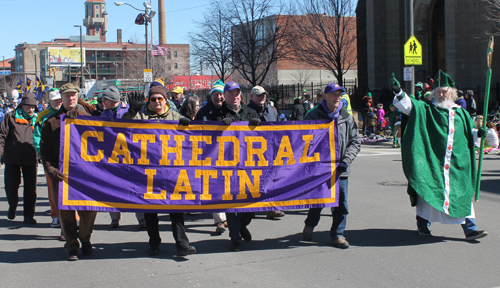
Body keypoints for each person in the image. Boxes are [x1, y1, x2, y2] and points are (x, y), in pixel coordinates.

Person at [392, 70, 488, 241]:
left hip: (457, 165)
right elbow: (409, 106)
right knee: (428, 193)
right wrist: (399, 92)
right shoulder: (427, 110)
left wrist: (479, 134)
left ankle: (470, 229)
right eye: (438, 92)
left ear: (451, 92)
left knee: (461, 195)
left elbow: (468, 137)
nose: (441, 95)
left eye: (444, 91)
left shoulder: (462, 114)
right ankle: (423, 225)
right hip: (433, 162)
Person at [124, 85, 196, 257]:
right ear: (149, 100)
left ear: (166, 100)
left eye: (160, 99)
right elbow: (122, 129)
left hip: (171, 171)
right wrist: (130, 113)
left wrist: (188, 124)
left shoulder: (174, 116)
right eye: (153, 99)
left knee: (176, 208)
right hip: (147, 171)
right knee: (150, 211)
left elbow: (194, 135)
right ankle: (154, 242)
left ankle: (182, 244)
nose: (157, 102)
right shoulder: (141, 116)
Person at [40, 83, 98, 261]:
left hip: (85, 175)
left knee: (89, 211)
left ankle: (85, 239)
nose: (70, 98)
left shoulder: (89, 119)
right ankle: (72, 245)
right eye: (67, 96)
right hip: (62, 174)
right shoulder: (51, 122)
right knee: (65, 213)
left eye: (73, 95)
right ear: (62, 98)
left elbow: (102, 145)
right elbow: (46, 149)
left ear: (77, 96)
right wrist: (50, 168)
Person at [302, 83, 361, 248]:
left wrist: (345, 161)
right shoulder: (313, 116)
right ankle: (310, 224)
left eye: (339, 95)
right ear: (325, 96)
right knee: (318, 202)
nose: (337, 98)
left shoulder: (346, 117)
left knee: (342, 205)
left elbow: (355, 142)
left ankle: (338, 235)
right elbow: (303, 141)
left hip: (341, 169)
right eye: (333, 95)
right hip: (319, 170)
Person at [219, 81, 260, 252]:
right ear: (225, 96)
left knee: (250, 205)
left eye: (237, 94)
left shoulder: (250, 112)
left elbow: (266, 136)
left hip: (248, 165)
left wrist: (259, 125)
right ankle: (235, 238)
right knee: (231, 205)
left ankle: (242, 225)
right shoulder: (218, 113)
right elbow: (203, 136)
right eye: (231, 94)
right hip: (226, 166)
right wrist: (220, 126)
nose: (235, 97)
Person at [98, 86, 147, 230]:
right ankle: (114, 217)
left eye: (104, 99)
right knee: (111, 187)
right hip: (111, 156)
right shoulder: (104, 114)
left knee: (135, 187)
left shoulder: (126, 111)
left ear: (112, 100)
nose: (102, 102)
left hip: (129, 156)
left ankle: (142, 218)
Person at [193, 79, 228, 234]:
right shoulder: (203, 111)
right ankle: (220, 220)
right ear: (211, 96)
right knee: (215, 187)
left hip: (230, 154)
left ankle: (232, 217)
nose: (219, 97)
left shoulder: (230, 109)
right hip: (210, 155)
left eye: (221, 94)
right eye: (216, 94)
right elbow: (195, 131)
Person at [247, 85, 286, 219]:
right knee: (252, 182)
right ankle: (249, 208)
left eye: (263, 95)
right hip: (252, 153)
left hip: (270, 152)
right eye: (258, 95)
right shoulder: (246, 111)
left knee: (272, 181)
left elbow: (279, 127)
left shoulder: (271, 110)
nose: (262, 97)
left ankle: (272, 208)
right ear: (251, 96)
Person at [0, 93, 39, 224]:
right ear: (22, 106)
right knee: (11, 186)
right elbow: (1, 136)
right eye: (28, 106)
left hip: (31, 158)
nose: (31, 109)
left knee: (30, 189)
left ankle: (28, 215)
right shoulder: (9, 117)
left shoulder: (37, 120)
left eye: (33, 107)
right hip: (12, 158)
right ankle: (12, 205)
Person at [33, 88, 62, 227]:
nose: (58, 102)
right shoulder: (43, 116)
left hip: (68, 158)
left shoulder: (69, 113)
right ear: (49, 101)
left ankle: (74, 217)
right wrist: (42, 154)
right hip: (51, 158)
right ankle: (55, 215)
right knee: (52, 189)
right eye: (55, 100)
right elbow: (37, 137)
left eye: (60, 99)